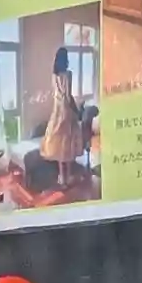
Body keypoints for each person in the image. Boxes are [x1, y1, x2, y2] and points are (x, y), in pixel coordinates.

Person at [40, 43, 82, 189]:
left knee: (58, 143)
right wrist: (76, 110)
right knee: (67, 143)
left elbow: (57, 94)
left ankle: (62, 178)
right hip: (66, 109)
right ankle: (68, 177)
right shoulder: (68, 74)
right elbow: (68, 96)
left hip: (57, 109)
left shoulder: (54, 75)